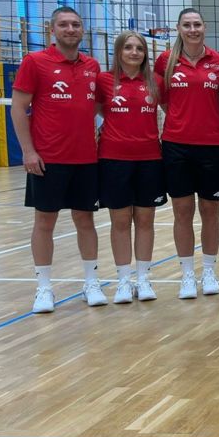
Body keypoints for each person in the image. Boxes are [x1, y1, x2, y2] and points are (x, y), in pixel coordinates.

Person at [11, 6, 104, 313]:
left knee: (85, 220)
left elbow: (94, 107)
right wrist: (28, 151)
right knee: (44, 221)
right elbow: (18, 108)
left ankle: (91, 283)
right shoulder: (35, 62)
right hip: (48, 158)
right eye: (64, 24)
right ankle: (43, 288)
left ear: (82, 29)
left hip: (86, 158)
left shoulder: (92, 65)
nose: (70, 29)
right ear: (52, 29)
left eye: (75, 24)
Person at [155, 7, 219, 299]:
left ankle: (209, 270)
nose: (192, 29)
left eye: (197, 24)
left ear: (204, 27)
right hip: (176, 144)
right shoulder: (166, 61)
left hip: (211, 144)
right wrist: (182, 119)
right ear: (178, 28)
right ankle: (187, 274)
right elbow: (163, 100)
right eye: (186, 25)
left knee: (211, 210)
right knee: (182, 211)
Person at [96, 30, 165, 304]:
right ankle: (124, 281)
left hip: (149, 158)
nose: (134, 52)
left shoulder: (156, 81)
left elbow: (170, 109)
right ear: (118, 51)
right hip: (114, 159)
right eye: (128, 47)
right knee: (121, 221)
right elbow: (96, 111)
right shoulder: (104, 81)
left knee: (145, 220)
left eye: (139, 48)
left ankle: (143, 279)